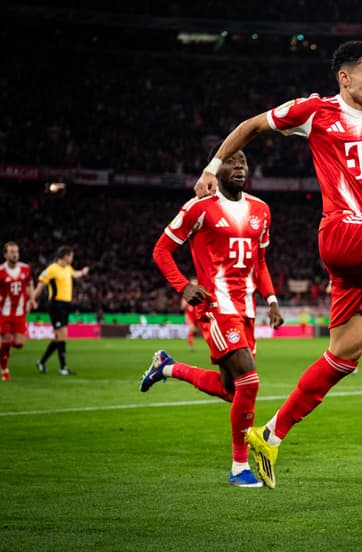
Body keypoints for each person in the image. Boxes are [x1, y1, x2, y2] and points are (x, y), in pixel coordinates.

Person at [193, 40, 362, 488]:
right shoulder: (314, 111)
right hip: (342, 231)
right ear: (344, 77)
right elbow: (252, 125)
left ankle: (270, 435)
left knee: (344, 356)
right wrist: (212, 168)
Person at [142, 149, 284, 488]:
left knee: (230, 390)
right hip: (216, 307)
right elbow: (161, 250)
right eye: (231, 162)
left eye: (243, 161)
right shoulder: (199, 208)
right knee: (249, 381)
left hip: (246, 309)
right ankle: (239, 468)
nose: (239, 167)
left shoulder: (261, 210)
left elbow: (260, 262)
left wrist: (272, 300)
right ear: (216, 170)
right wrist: (184, 286)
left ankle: (167, 367)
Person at [32, 245, 89, 376]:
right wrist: (31, 299)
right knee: (62, 335)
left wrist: (83, 272)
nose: (72, 259)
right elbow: (40, 285)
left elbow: (75, 274)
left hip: (66, 305)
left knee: (60, 337)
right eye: (71, 256)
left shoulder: (68, 268)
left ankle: (42, 362)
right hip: (55, 305)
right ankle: (63, 367)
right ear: (66, 256)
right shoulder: (52, 269)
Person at [0, 242, 35, 381]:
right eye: (12, 252)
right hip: (4, 313)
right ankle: (5, 370)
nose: (15, 254)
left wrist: (32, 299)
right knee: (6, 340)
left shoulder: (25, 269)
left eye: (17, 252)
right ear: (5, 254)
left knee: (19, 344)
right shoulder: (1, 271)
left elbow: (29, 284)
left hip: (20, 312)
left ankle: (3, 346)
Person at [182, 277, 199, 351]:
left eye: (196, 284)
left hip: (198, 315)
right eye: (193, 284)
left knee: (197, 330)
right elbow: (183, 306)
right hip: (190, 315)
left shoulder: (200, 294)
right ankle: (191, 345)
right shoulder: (187, 294)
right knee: (191, 330)